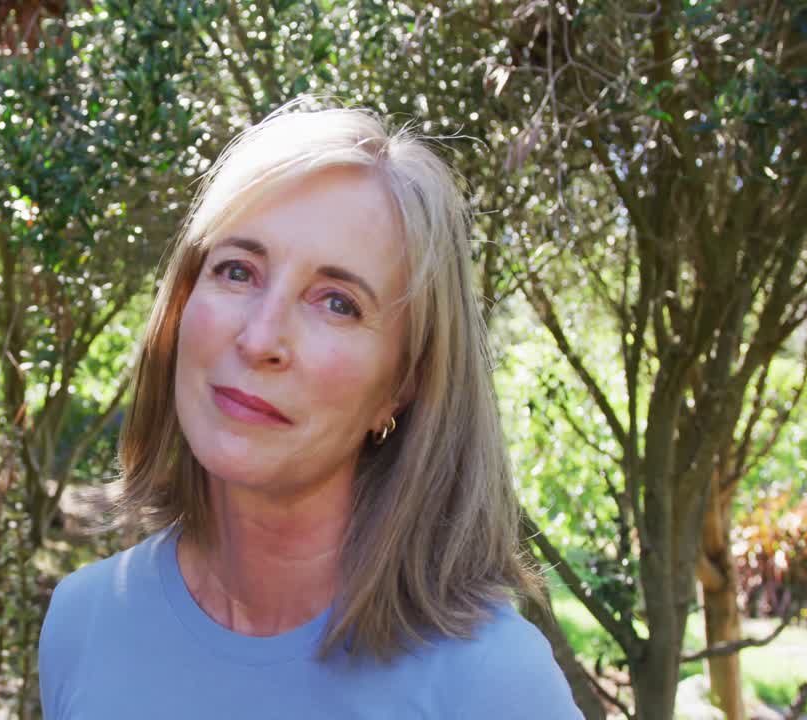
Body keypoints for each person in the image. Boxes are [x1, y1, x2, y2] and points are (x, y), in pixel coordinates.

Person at [38, 101, 583, 719]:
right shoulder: (83, 625)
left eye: (338, 303)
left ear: (402, 384)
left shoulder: (493, 685)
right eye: (238, 270)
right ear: (182, 303)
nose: (260, 338)